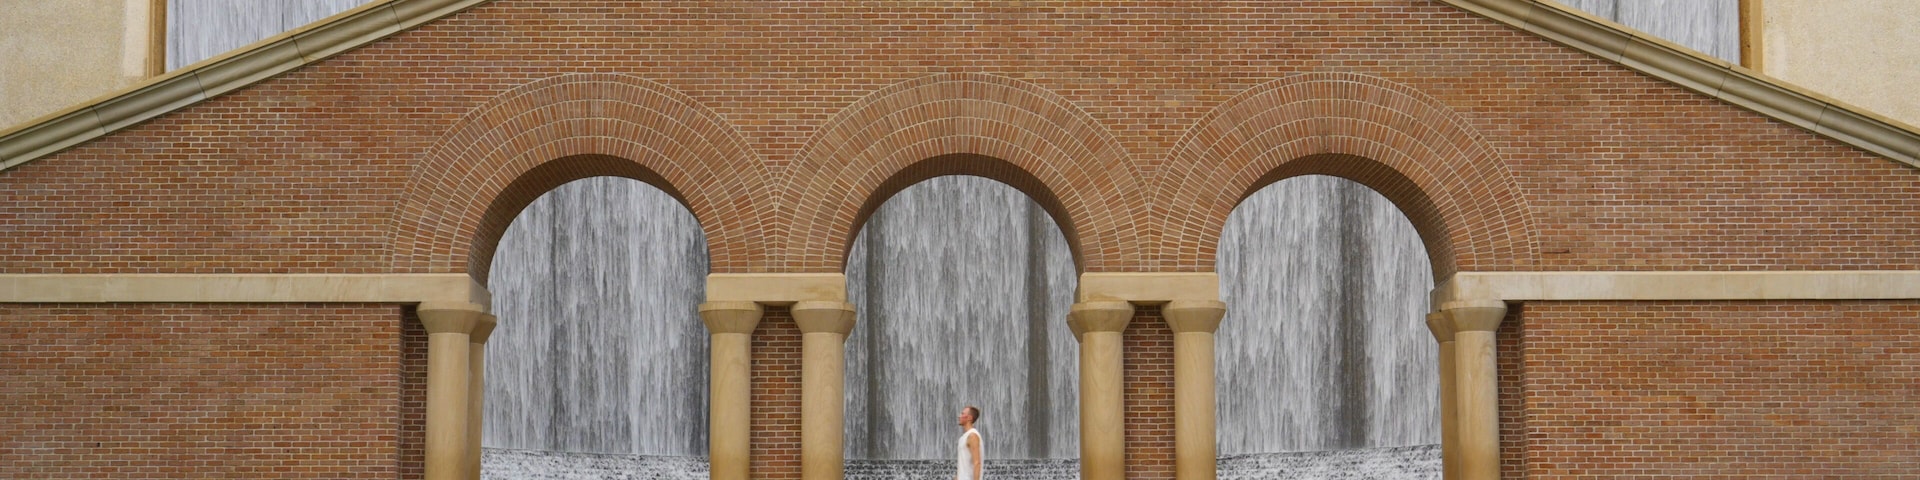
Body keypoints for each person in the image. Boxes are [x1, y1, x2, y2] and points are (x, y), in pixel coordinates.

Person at [956, 405, 984, 480]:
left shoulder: (972, 436)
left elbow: (977, 463)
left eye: (962, 414)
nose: (959, 416)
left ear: (969, 418)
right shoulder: (963, 437)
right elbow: (963, 467)